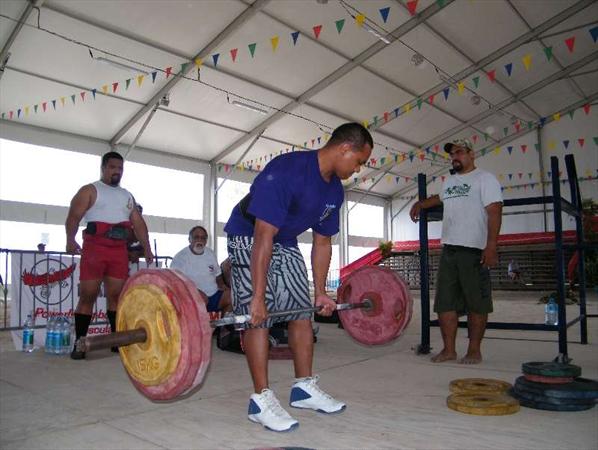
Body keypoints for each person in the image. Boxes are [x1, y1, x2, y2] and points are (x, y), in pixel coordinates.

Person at [224, 122, 373, 432]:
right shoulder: (287, 170)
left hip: (286, 238)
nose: (357, 169)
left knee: (302, 312)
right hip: (249, 233)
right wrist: (257, 298)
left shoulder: (334, 191)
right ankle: (261, 400)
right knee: (258, 317)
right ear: (345, 148)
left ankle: (303, 389)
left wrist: (320, 291)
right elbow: (263, 236)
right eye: (358, 161)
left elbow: (322, 241)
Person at [409, 138, 502, 365]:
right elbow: (439, 199)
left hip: (474, 250)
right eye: (452, 154)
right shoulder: (449, 181)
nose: (455, 157)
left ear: (472, 154)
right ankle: (449, 350)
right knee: (444, 302)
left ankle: (474, 351)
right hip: (449, 249)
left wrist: (491, 247)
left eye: (460, 152)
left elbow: (495, 211)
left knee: (476, 303)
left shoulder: (485, 179)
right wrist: (420, 204)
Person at [65, 151, 153, 359]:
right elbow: (73, 216)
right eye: (113, 167)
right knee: (88, 295)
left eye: (120, 168)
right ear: (103, 168)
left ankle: (116, 342)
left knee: (116, 296)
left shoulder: (127, 196)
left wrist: (146, 247)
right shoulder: (90, 190)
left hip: (118, 250)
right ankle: (80, 343)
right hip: (94, 248)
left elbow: (138, 224)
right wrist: (70, 239)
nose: (117, 172)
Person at [170, 225, 232, 313]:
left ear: (206, 240)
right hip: (193, 297)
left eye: (203, 238)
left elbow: (217, 274)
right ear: (189, 239)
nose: (200, 240)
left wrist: (222, 285)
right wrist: (195, 291)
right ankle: (202, 326)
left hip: (214, 294)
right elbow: (176, 282)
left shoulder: (210, 253)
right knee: (202, 299)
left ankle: (221, 325)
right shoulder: (180, 258)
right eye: (196, 237)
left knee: (233, 296)